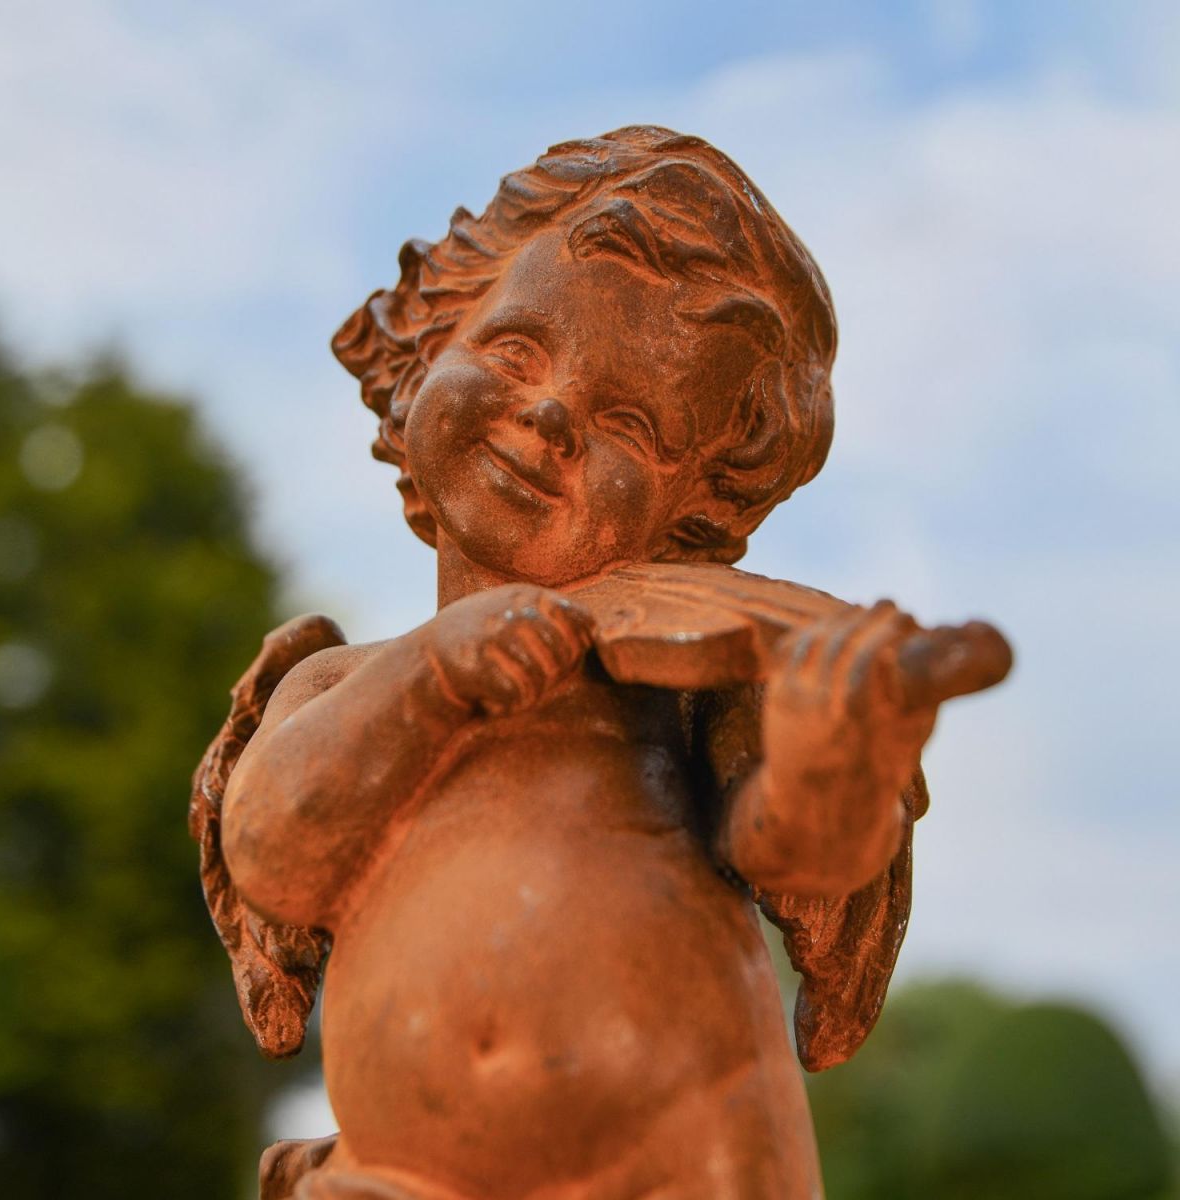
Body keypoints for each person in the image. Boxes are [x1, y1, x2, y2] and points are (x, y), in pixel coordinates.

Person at [215, 127, 940, 1199]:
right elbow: (273, 849)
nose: (550, 415)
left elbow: (793, 851)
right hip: (404, 1176)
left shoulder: (689, 688)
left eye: (632, 423)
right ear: (429, 347)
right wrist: (433, 679)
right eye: (514, 351)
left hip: (693, 1156)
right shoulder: (339, 684)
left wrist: (836, 767)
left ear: (691, 511)